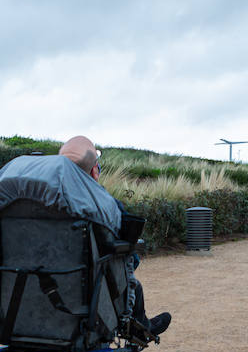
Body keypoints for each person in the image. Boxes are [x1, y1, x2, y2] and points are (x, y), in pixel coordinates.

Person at [56, 136, 171, 338]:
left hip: (33, 282)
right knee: (130, 278)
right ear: (94, 171)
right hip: (88, 287)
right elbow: (128, 256)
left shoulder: (34, 203)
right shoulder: (106, 206)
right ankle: (140, 328)